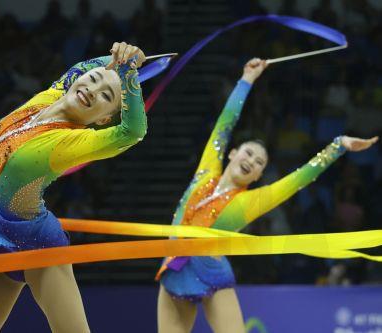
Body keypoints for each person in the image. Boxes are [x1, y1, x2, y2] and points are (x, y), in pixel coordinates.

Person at [156, 58, 378, 333]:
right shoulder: (206, 170)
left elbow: (299, 178)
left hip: (211, 274)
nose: (252, 161)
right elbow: (225, 125)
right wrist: (247, 80)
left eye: (259, 162)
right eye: (248, 153)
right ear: (233, 153)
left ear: (258, 176)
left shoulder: (250, 202)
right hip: (175, 269)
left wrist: (338, 146)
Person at [0, 42, 147, 333]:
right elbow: (83, 66)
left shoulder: (73, 141)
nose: (93, 89)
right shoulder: (49, 97)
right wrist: (122, 57)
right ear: (76, 80)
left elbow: (132, 131)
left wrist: (129, 74)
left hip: (39, 245)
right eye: (93, 79)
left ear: (103, 119)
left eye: (106, 95)